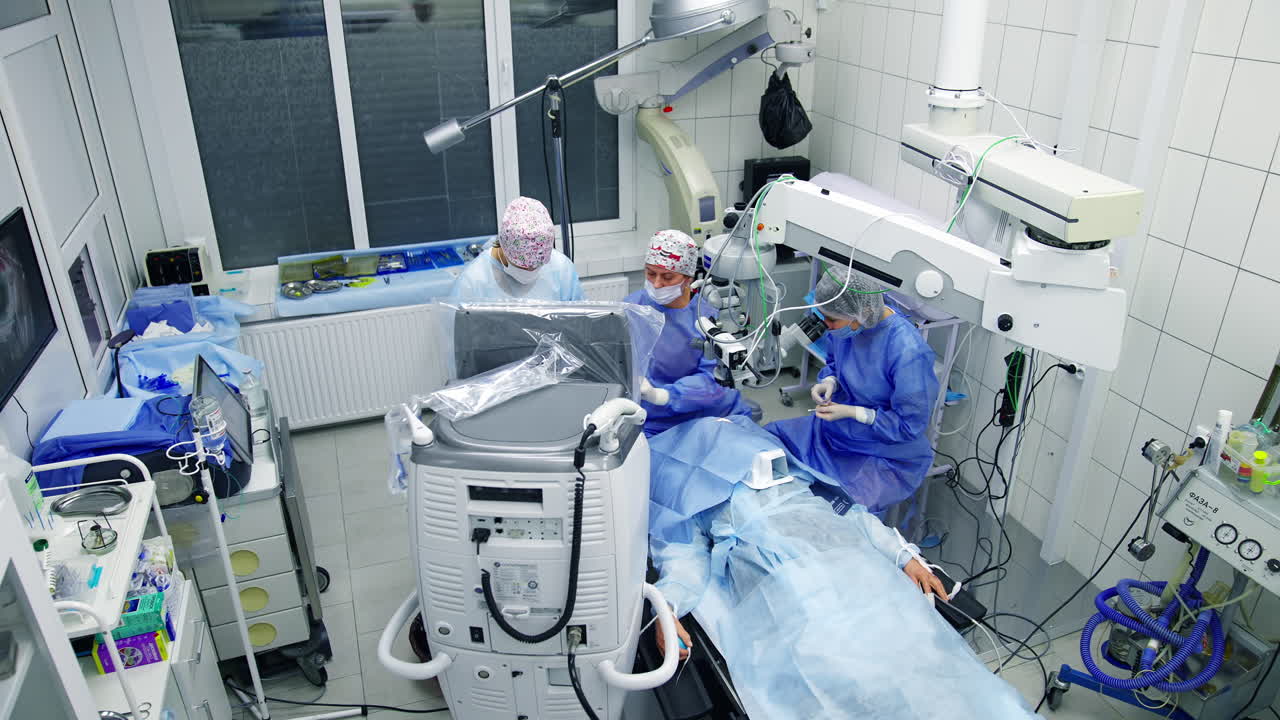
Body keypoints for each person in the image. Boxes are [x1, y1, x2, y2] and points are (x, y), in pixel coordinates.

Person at [647, 416, 1037, 719]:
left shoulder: (790, 476)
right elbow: (683, 562)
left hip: (853, 564)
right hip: (784, 584)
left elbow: (854, 516)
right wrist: (667, 609)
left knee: (920, 654)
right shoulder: (693, 496)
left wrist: (903, 556)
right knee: (840, 667)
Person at [765, 268, 938, 515]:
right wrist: (831, 381)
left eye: (832, 321)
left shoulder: (907, 351)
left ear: (864, 312)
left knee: (841, 514)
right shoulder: (848, 326)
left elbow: (909, 425)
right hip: (834, 433)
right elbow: (835, 360)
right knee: (767, 445)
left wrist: (855, 412)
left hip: (884, 452)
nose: (826, 326)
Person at [623, 230, 753, 437]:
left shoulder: (711, 318)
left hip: (704, 416)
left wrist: (662, 395)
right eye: (650, 273)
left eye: (667, 277)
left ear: (688, 278)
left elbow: (716, 380)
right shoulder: (632, 307)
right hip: (649, 419)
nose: (656, 284)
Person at [448, 197, 585, 301]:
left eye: (537, 265)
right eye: (521, 265)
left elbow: (580, 324)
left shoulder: (561, 270)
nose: (529, 271)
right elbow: (458, 334)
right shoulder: (473, 281)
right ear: (504, 248)